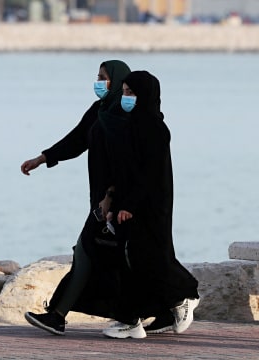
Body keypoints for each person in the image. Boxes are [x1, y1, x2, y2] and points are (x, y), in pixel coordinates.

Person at [20, 60, 134, 336]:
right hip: (101, 198)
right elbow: (76, 140)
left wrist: (110, 196)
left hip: (118, 199)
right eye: (98, 76)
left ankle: (57, 315)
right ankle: (156, 309)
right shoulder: (100, 110)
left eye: (103, 77)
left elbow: (127, 164)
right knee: (104, 255)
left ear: (117, 81)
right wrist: (43, 158)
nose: (98, 82)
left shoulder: (126, 117)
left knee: (86, 250)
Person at [99, 70, 200, 339]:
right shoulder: (131, 124)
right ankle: (142, 316)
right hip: (130, 201)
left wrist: (128, 205)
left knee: (148, 256)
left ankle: (184, 294)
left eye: (131, 93)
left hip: (150, 204)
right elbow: (125, 171)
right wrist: (113, 199)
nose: (126, 98)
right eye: (124, 92)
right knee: (134, 259)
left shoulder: (153, 127)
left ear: (146, 95)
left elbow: (149, 173)